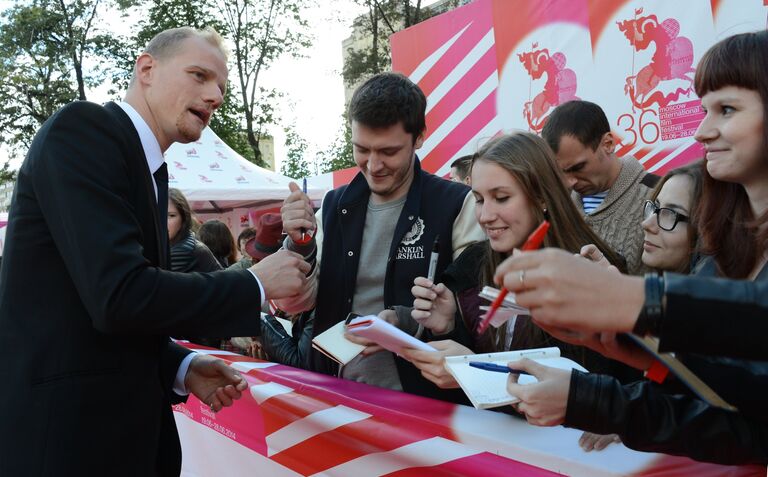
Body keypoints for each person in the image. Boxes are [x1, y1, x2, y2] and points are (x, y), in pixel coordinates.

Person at [0, 27, 310, 475]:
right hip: (69, 445)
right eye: (199, 75)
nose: (215, 95)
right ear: (146, 69)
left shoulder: (148, 169)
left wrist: (179, 365)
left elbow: (84, 313)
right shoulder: (84, 131)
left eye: (221, 86)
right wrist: (254, 283)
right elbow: (119, 296)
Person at [494, 31, 768, 465]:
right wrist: (623, 367)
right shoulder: (719, 260)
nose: (701, 130)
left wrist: (633, 303)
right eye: (703, 109)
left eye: (727, 109)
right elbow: (740, 419)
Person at [398, 132, 634, 451]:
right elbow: (461, 383)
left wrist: (623, 419)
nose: (485, 215)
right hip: (488, 454)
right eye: (480, 199)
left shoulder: (594, 267)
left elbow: (610, 382)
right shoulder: (471, 266)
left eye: (502, 197)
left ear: (541, 197)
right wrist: (449, 325)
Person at [277, 72, 485, 399]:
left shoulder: (457, 204)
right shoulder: (334, 206)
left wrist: (406, 324)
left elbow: (478, 319)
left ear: (418, 138)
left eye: (388, 151)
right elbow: (296, 302)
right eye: (362, 149)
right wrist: (299, 245)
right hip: (333, 393)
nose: (373, 166)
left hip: (422, 404)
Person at [541, 100, 660, 274]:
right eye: (560, 172)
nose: (569, 182)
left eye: (578, 168)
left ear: (608, 144)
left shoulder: (659, 194)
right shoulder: (556, 206)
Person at [168, 187, 221, 273]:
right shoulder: (184, 240)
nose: (163, 221)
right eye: (158, 215)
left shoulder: (183, 249)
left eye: (171, 215)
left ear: (184, 218)